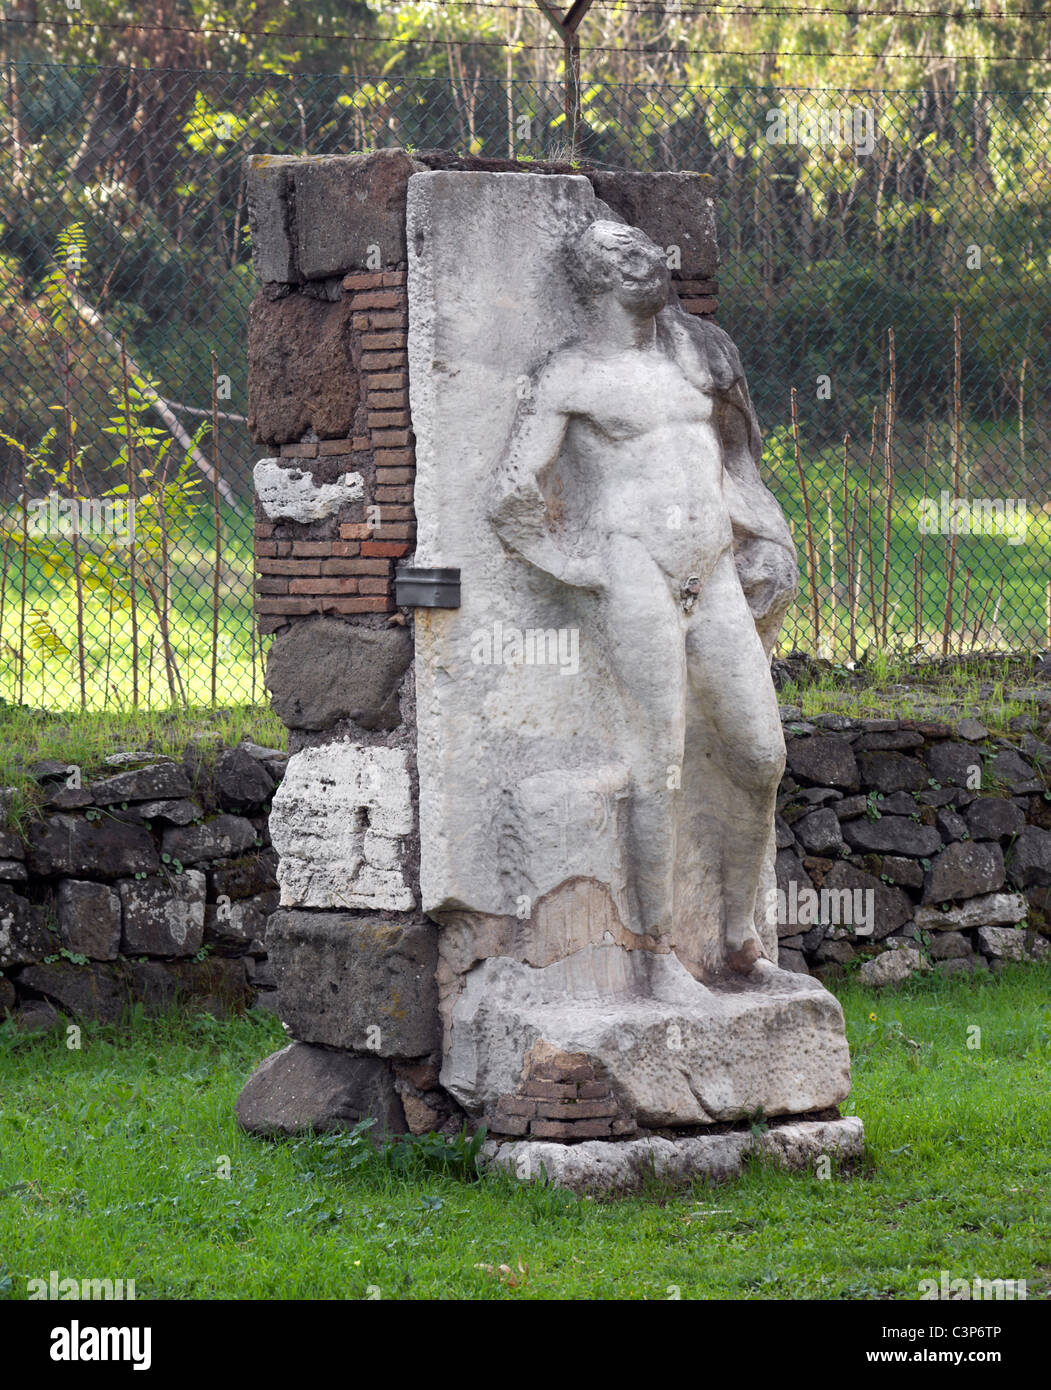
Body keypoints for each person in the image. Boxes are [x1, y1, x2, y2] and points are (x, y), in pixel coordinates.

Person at [489, 219, 797, 973]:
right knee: (658, 756)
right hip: (635, 571)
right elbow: (510, 492)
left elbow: (738, 457)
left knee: (760, 753)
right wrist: (577, 564)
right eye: (620, 253)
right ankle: (658, 955)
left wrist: (770, 540)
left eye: (645, 248)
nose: (646, 260)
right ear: (591, 278)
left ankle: (735, 933)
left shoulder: (703, 353)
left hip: (713, 568)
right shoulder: (570, 373)